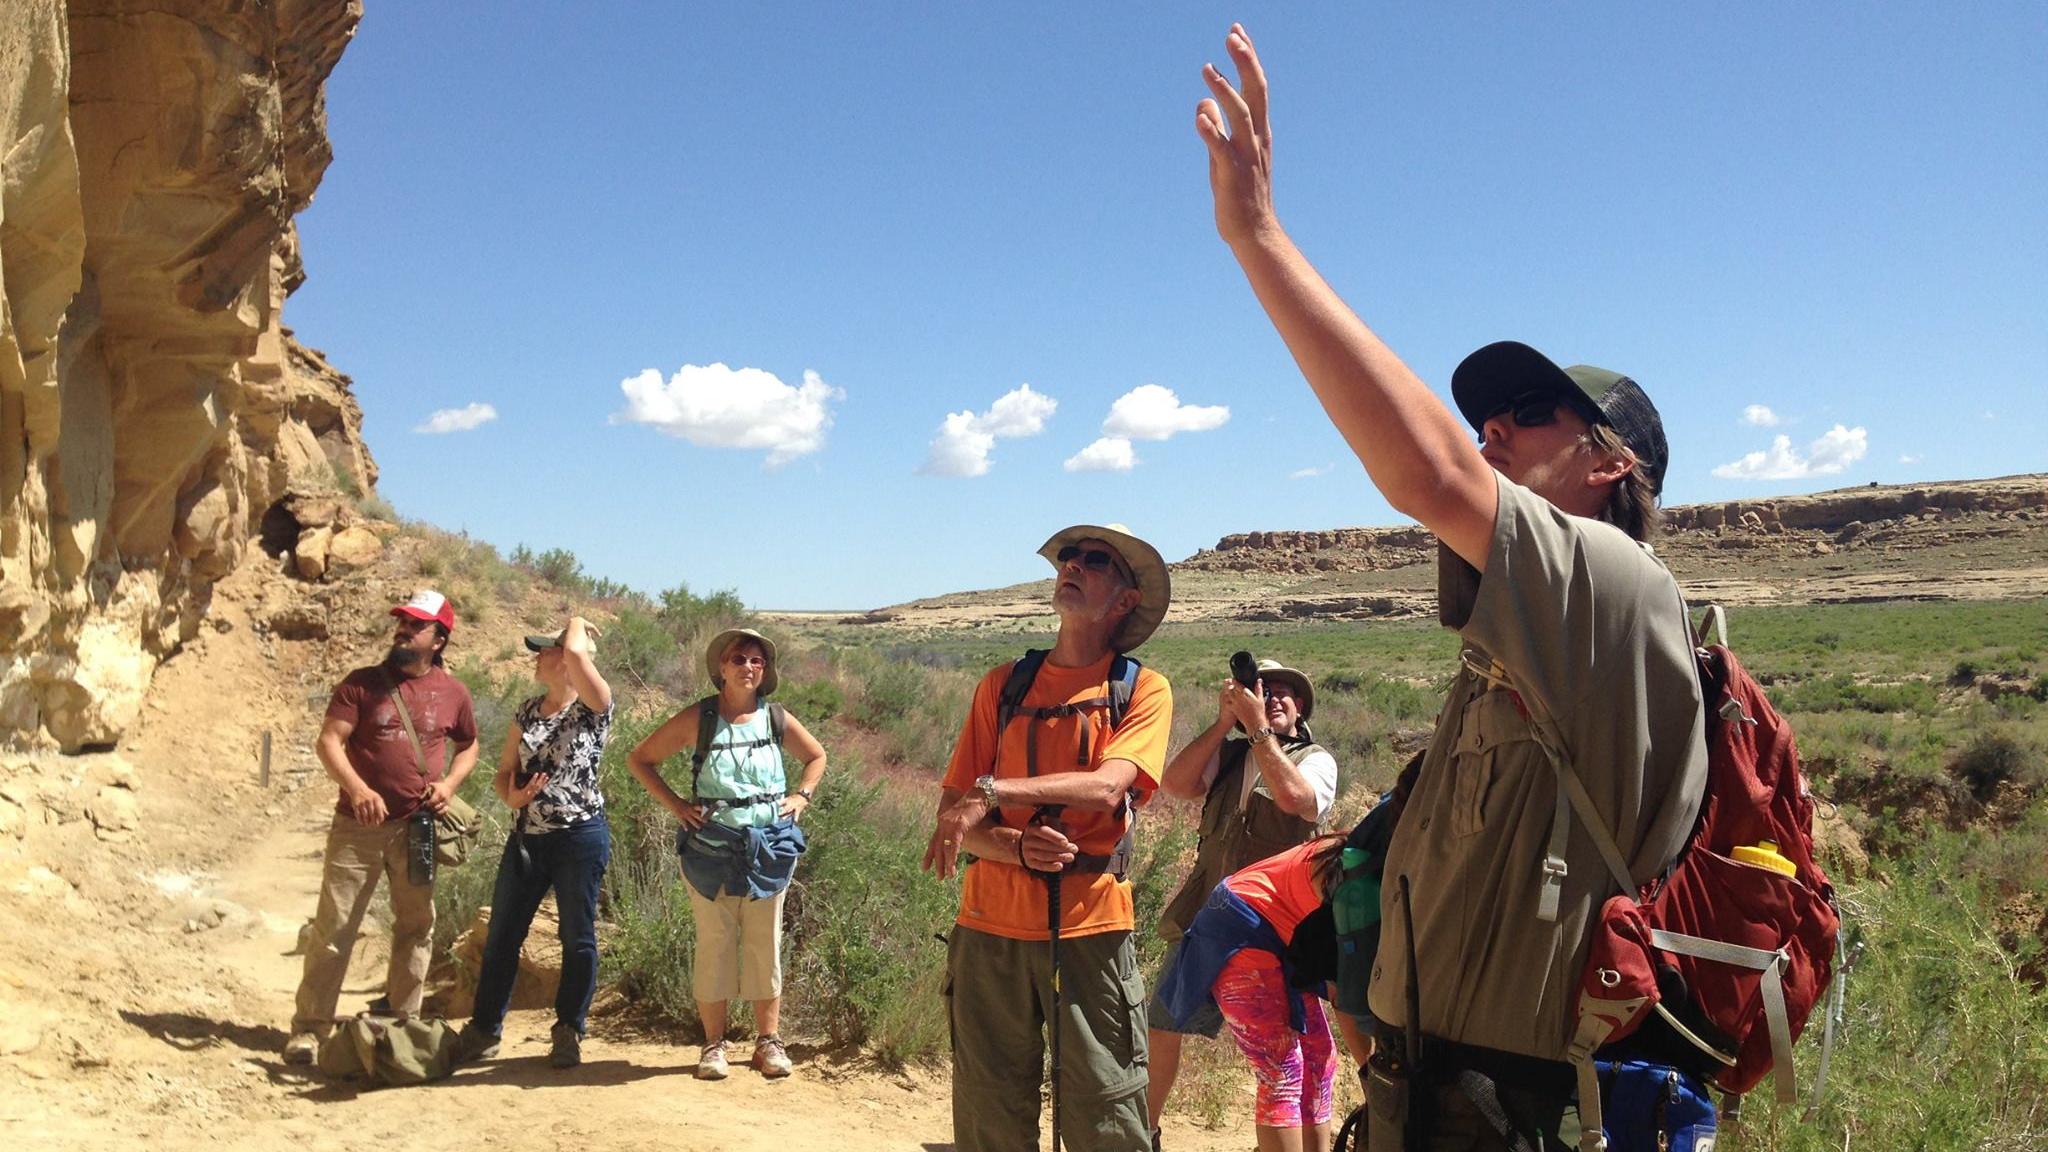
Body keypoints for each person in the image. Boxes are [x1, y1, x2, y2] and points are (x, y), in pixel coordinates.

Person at [1194, 26, 1708, 1150]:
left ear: (1612, 462)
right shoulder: (1523, 638)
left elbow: (1421, 469)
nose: (1490, 433)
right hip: (1439, 1095)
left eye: (1526, 418)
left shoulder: (1610, 586)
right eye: (1486, 416)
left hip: (1514, 1110)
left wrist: (1256, 236)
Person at [923, 524, 1175, 1152]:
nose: (1073, 566)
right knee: (988, 1108)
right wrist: (1015, 847)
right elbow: (956, 821)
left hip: (1092, 928)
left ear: (1124, 600)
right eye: (1069, 558)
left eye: (1094, 561)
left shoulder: (1141, 689)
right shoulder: (1002, 685)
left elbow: (1108, 787)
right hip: (988, 927)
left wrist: (995, 792)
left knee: (1106, 1110)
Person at [1147, 659, 1349, 1144]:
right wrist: (1224, 722)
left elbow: (1297, 801)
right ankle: (1142, 1133)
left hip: (1277, 929)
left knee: (1293, 1055)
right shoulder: (1231, 754)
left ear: (1301, 708)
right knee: (1162, 1025)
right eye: (1262, 689)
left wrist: (1259, 730)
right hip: (1204, 920)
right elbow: (1175, 785)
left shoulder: (1316, 759)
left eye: (1284, 692)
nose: (1272, 697)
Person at [283, 590, 480, 1063]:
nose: (404, 631)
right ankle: (310, 1029)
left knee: (416, 927)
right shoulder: (361, 684)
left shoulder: (453, 694)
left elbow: (469, 746)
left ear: (439, 639)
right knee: (335, 927)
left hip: (419, 829)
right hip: (358, 828)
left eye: (416, 626)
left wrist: (450, 784)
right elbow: (329, 742)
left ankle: (401, 1028)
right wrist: (357, 788)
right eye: (402, 623)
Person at [625, 627, 827, 1081]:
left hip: (769, 851)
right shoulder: (700, 717)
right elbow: (640, 759)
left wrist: (802, 796)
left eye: (757, 660)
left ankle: (767, 1043)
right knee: (714, 945)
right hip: (709, 852)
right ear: (721, 667)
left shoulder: (776, 717)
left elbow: (816, 756)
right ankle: (713, 1046)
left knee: (764, 945)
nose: (748, 667)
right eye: (739, 659)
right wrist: (677, 806)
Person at [454, 616, 613, 1069]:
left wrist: (577, 622)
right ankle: (484, 1030)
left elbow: (582, 654)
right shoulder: (526, 711)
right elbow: (504, 772)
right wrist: (513, 797)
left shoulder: (593, 709)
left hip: (579, 838)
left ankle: (569, 1030)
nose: (536, 657)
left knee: (577, 936)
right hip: (528, 838)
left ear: (565, 659)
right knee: (503, 933)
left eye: (546, 649)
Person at [1154, 837, 1350, 1152]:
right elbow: (1345, 996)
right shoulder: (1356, 877)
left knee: (1320, 1057)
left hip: (1284, 937)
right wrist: (1370, 1068)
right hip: (1241, 923)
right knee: (1282, 1069)